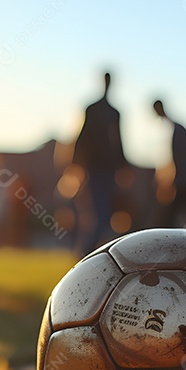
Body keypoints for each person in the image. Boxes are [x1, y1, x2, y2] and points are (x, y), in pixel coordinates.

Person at [73, 71, 127, 255]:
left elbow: (119, 141)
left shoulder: (114, 113)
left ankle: (89, 253)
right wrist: (76, 164)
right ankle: (87, 254)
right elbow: (83, 136)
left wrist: (123, 165)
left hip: (107, 169)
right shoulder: (93, 109)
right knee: (99, 213)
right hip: (94, 168)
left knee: (103, 213)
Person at [151, 99, 186, 231]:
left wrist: (168, 184)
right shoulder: (177, 129)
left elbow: (177, 161)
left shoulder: (175, 130)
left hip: (185, 184)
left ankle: (160, 242)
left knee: (167, 220)